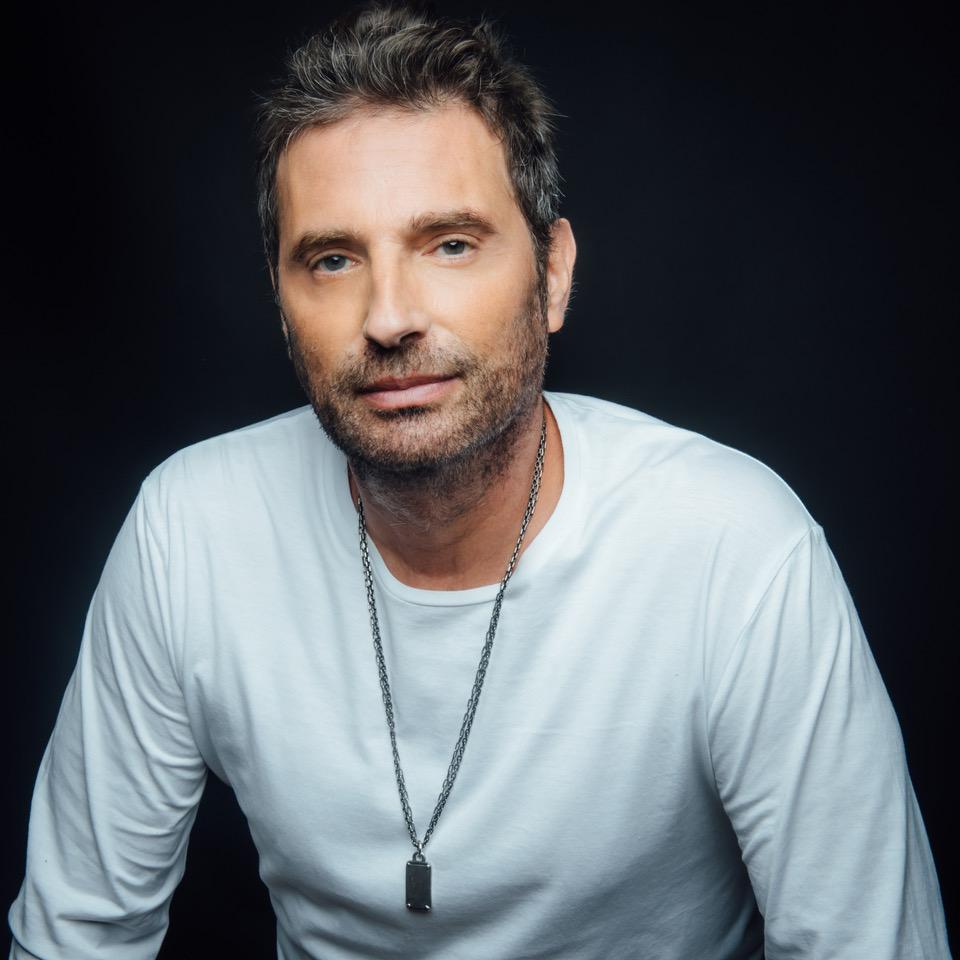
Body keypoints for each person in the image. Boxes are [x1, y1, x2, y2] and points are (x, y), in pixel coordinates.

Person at [8, 5, 951, 959]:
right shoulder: (190, 531)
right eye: (332, 260)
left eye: (450, 244)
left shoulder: (735, 551)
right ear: (283, 305)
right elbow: (74, 937)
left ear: (553, 274)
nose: (389, 318)